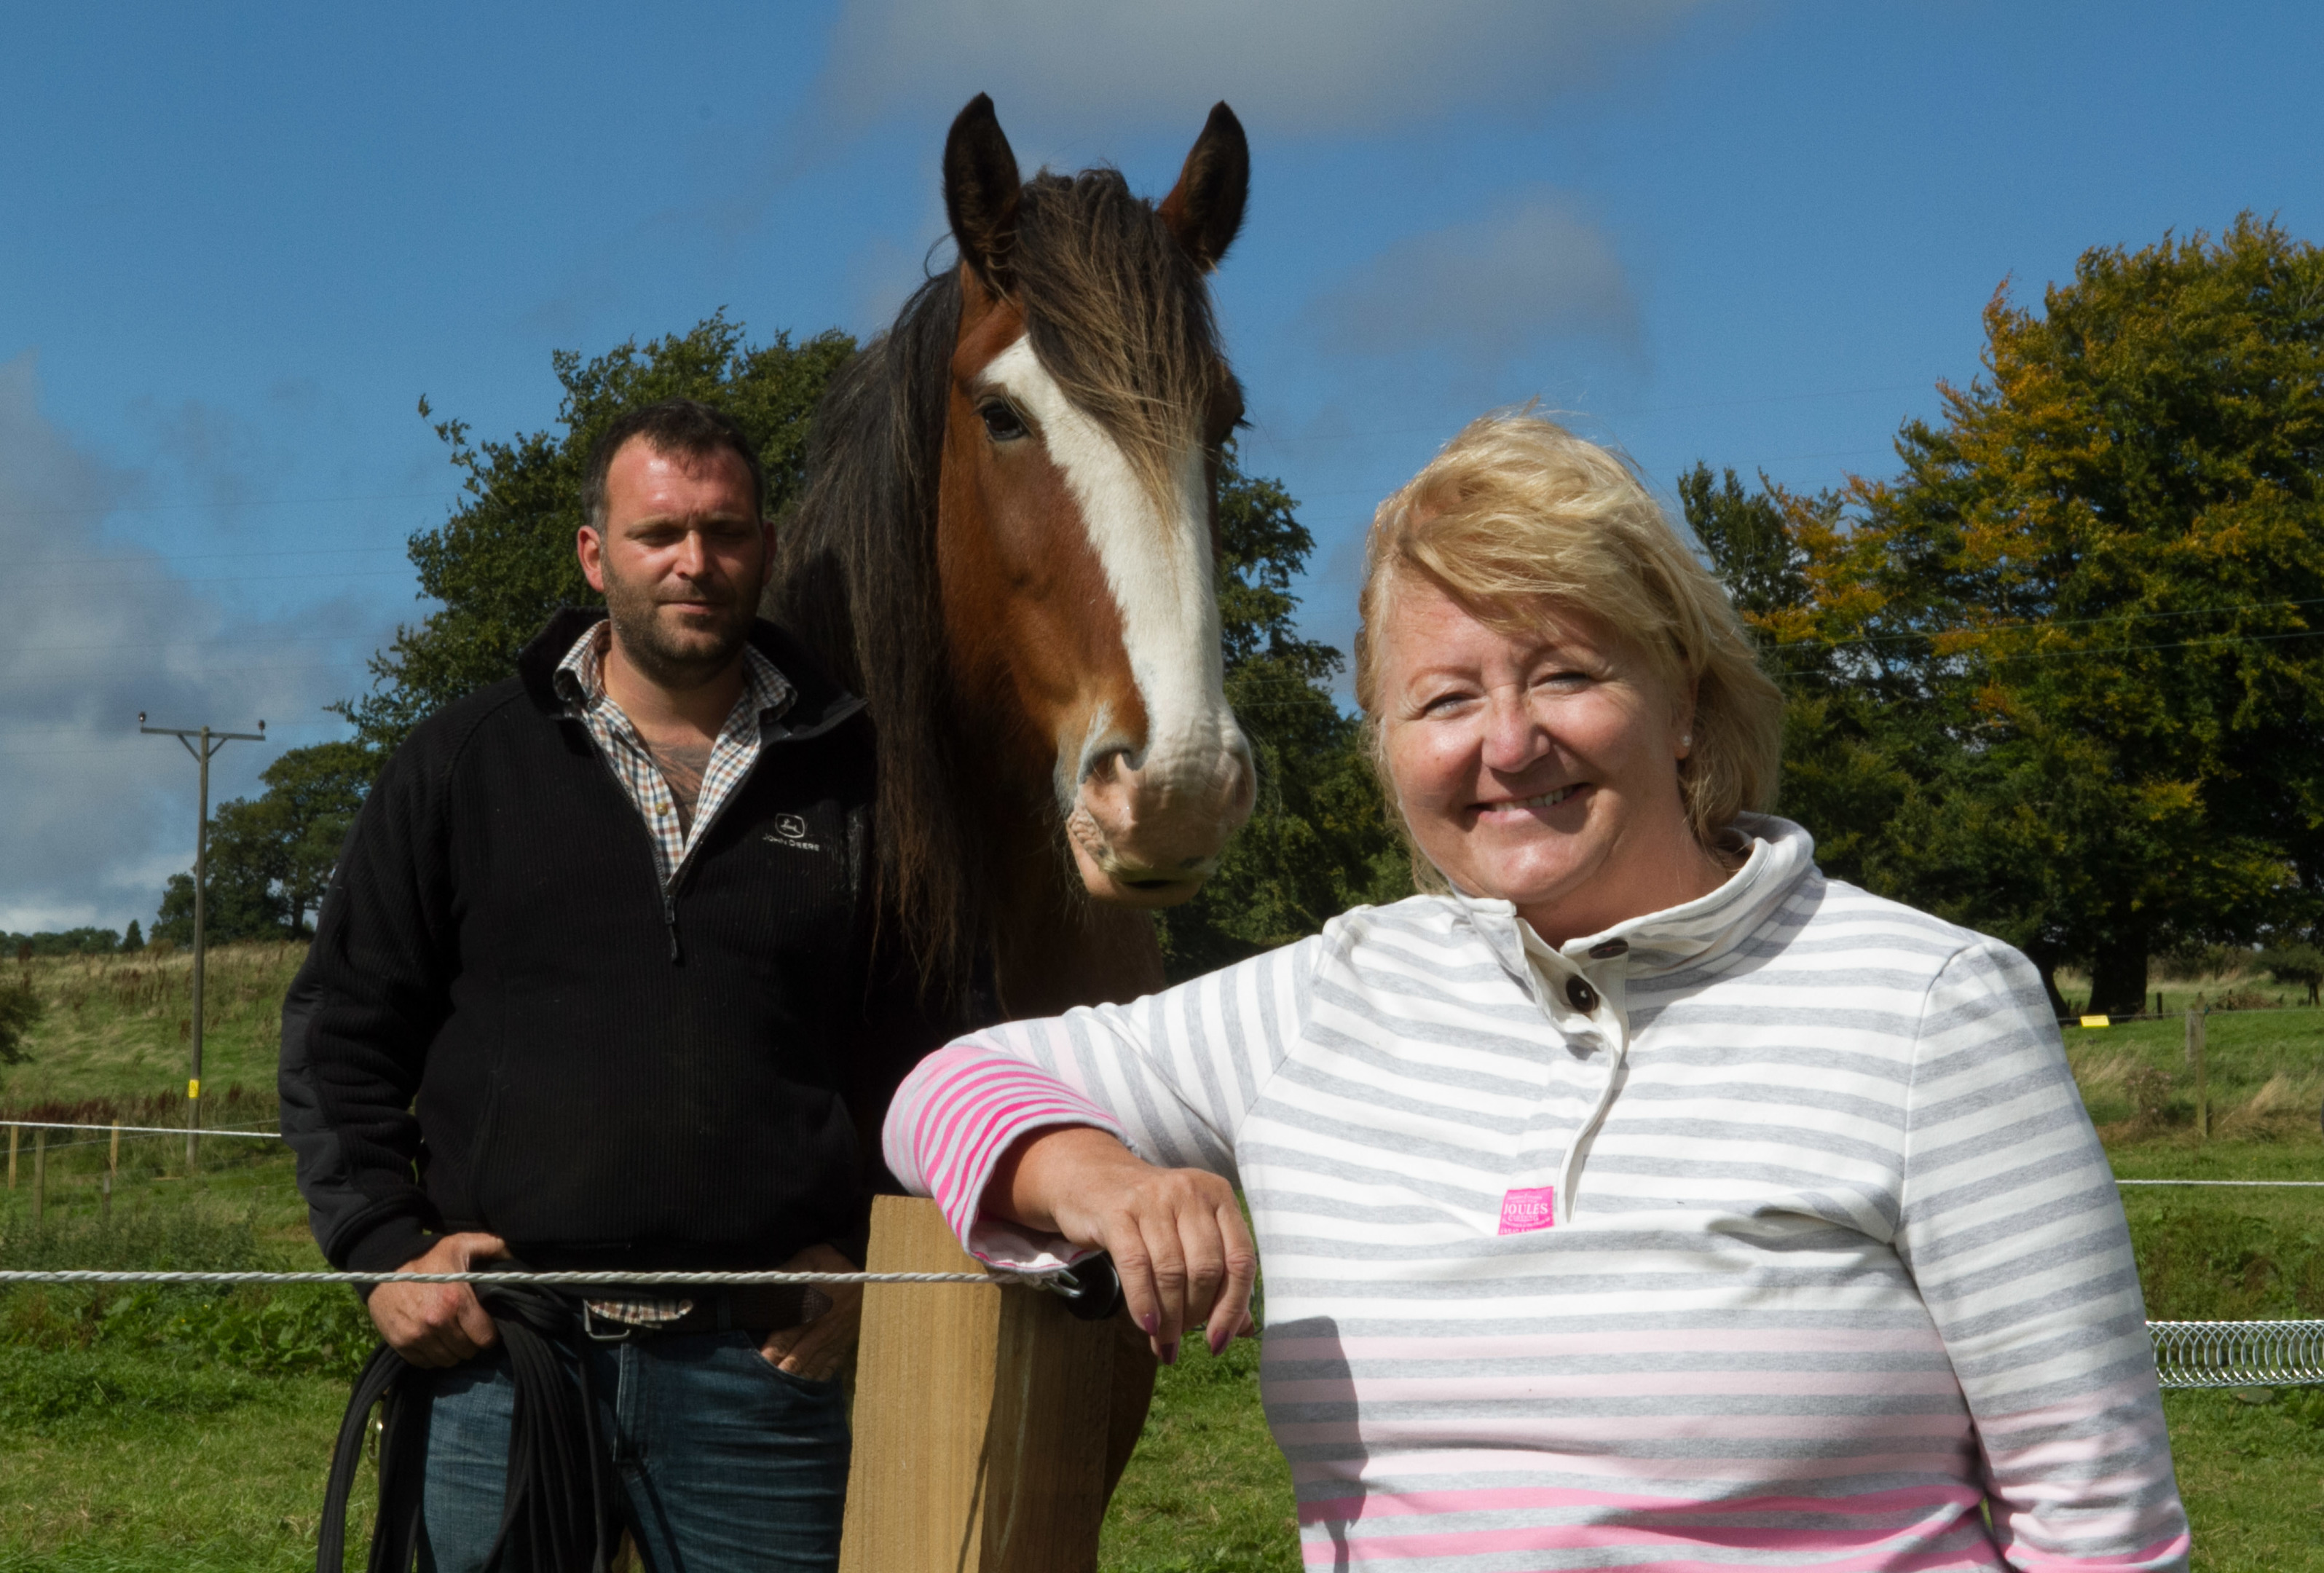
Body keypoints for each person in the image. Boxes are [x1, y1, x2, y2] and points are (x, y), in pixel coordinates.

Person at [881, 414, 2190, 1572]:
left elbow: (2100, 1524)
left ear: (1681, 694)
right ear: (1389, 749)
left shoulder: (1930, 1005)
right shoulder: (1331, 994)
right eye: (1444, 700)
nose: (1509, 745)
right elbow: (940, 1093)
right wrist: (1101, 1181)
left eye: (1566, 672)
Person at [281, 398, 907, 1572]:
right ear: (594, 553)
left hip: (761, 1378)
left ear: (766, 549)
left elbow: (932, 1047)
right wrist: (380, 1247)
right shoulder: (463, 763)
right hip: (504, 1368)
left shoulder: (863, 782)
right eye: (658, 532)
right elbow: (342, 1030)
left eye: (724, 532)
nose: (694, 562)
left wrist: (879, 1243)